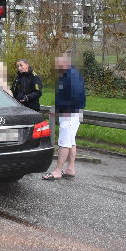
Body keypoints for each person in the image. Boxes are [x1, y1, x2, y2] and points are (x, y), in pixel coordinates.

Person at [43, 53, 86, 181]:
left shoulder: (71, 76)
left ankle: (57, 170)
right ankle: (70, 168)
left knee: (64, 142)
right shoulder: (68, 74)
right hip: (70, 112)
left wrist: (59, 109)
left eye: (58, 63)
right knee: (71, 141)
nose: (56, 66)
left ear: (65, 62)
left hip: (70, 113)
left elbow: (77, 98)